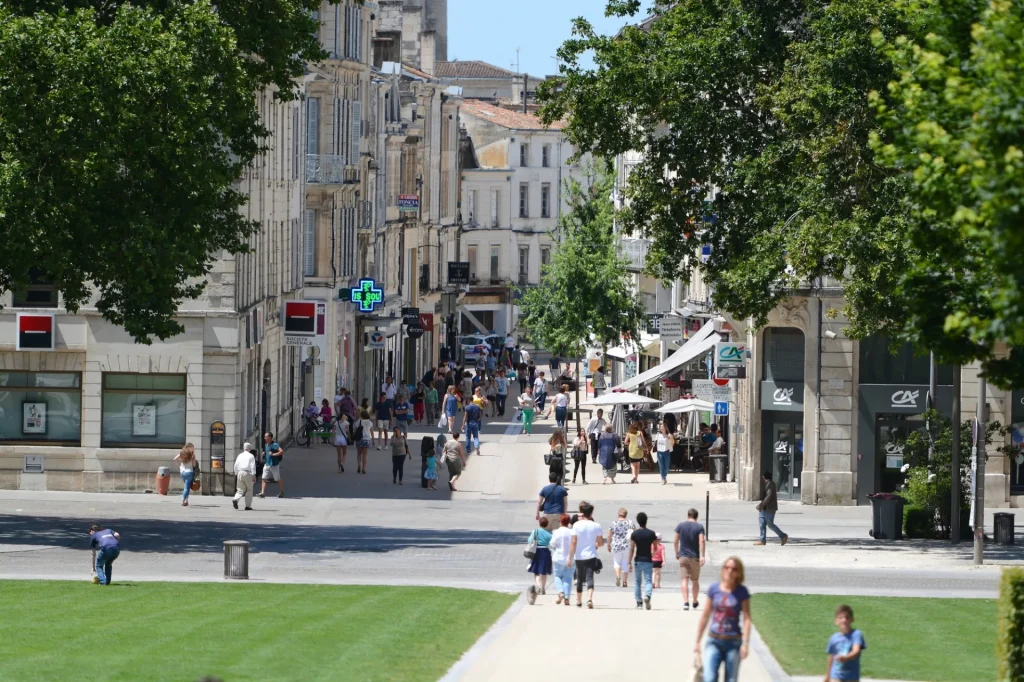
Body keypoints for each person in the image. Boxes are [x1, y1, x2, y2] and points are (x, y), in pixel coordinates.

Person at [694, 557, 752, 682]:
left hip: (733, 643)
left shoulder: (742, 592)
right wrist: (698, 641)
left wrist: (746, 644)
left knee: (731, 680)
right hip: (713, 640)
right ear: (723, 570)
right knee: (709, 678)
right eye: (727, 567)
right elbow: (705, 615)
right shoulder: (714, 589)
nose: (730, 571)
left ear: (739, 572)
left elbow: (747, 619)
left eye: (734, 569)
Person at [567, 501, 604, 608]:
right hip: (591, 555)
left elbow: (573, 542)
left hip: (579, 556)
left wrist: (570, 557)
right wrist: (596, 544)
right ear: (591, 514)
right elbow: (601, 542)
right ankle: (589, 599)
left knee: (579, 577)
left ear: (582, 513)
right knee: (590, 577)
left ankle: (578, 600)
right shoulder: (596, 525)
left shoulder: (576, 525)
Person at [674, 507, 707, 611]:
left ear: (688, 515)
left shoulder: (680, 526)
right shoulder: (699, 527)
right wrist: (702, 555)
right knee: (695, 580)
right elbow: (701, 541)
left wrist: (677, 552)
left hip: (683, 556)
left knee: (684, 579)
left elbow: (675, 541)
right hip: (694, 557)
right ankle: (695, 601)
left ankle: (685, 602)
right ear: (696, 517)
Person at [825, 605, 866, 682]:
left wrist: (846, 658)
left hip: (851, 677)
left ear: (852, 619)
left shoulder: (856, 634)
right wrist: (827, 676)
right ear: (836, 621)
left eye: (847, 617)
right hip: (836, 676)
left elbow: (856, 651)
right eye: (841, 618)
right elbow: (831, 657)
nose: (844, 620)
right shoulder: (833, 638)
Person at [629, 511, 657, 610]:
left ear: (638, 521)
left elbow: (632, 548)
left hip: (638, 560)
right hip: (648, 559)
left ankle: (639, 602)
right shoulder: (651, 533)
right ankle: (647, 595)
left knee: (637, 582)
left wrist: (629, 562)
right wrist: (653, 553)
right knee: (648, 580)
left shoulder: (635, 534)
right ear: (646, 521)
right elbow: (655, 546)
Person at [755, 470, 788, 546]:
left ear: (764, 477)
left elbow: (768, 497)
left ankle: (783, 536)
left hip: (769, 508)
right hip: (764, 509)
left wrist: (761, 505)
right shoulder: (768, 484)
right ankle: (762, 540)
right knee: (762, 524)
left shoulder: (770, 485)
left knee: (770, 524)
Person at [526, 517, 553, 605]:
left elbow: (529, 540)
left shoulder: (535, 531)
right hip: (545, 551)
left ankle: (538, 586)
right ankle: (543, 588)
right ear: (547, 524)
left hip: (536, 551)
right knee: (543, 572)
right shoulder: (549, 533)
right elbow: (552, 543)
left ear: (539, 523)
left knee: (536, 571)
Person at [607, 507, 636, 588]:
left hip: (616, 545)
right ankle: (625, 582)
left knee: (617, 562)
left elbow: (609, 535)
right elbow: (635, 533)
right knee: (625, 563)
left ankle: (618, 576)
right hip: (627, 545)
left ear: (618, 514)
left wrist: (608, 544)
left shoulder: (613, 523)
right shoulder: (630, 523)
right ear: (626, 515)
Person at [549, 514, 574, 606]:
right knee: (568, 578)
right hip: (570, 558)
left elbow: (552, 544)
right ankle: (567, 597)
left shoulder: (556, 532)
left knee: (557, 576)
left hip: (558, 557)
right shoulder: (572, 532)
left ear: (560, 522)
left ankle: (560, 592)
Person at [259, 432, 285, 498]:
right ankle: (262, 493)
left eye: (266, 437)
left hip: (274, 465)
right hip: (267, 464)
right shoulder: (266, 445)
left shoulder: (274, 445)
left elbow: (281, 451)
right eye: (264, 437)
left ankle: (282, 491)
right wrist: (264, 453)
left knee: (277, 479)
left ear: (270, 437)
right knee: (264, 478)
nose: (264, 438)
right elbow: (267, 452)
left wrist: (273, 454)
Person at [232, 442, 256, 510]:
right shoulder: (251, 456)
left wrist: (236, 473)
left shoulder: (240, 455)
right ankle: (248, 506)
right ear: (250, 448)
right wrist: (253, 474)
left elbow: (236, 465)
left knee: (240, 489)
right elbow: (252, 465)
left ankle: (235, 499)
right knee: (249, 489)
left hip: (240, 472)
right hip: (247, 473)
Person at [355, 408, 372, 474]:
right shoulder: (370, 422)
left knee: (359, 453)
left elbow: (355, 430)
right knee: (365, 455)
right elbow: (372, 432)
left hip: (359, 439)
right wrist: (373, 440)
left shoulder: (359, 421)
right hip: (367, 439)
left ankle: (359, 465)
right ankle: (364, 468)